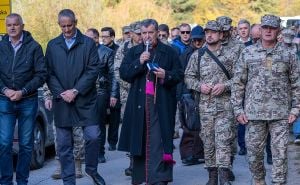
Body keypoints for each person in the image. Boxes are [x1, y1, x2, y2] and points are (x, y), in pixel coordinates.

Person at [231, 14, 300, 185]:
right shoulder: (247, 53)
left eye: (272, 28)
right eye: (265, 27)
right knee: (254, 156)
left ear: (278, 30)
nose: (268, 31)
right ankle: (259, 181)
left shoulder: (288, 54)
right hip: (253, 115)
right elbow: (238, 83)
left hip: (281, 115)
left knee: (280, 155)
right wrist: (238, 110)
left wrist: (295, 109)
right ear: (260, 29)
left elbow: (297, 84)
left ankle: (278, 183)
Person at [118, 18, 183, 185]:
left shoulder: (170, 52)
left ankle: (160, 178)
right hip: (139, 104)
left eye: (150, 33)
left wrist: (165, 75)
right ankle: (141, 177)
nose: (147, 36)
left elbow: (179, 75)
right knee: (141, 140)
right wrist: (139, 61)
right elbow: (124, 73)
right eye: (144, 33)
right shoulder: (134, 52)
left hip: (160, 104)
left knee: (159, 141)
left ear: (157, 33)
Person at [45, 9, 105, 185]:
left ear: (76, 23)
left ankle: (91, 169)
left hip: (85, 99)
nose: (66, 30)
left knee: (93, 136)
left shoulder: (87, 43)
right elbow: (48, 72)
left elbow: (93, 69)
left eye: (69, 25)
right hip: (62, 100)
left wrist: (76, 91)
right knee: (63, 144)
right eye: (62, 26)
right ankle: (68, 180)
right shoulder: (53, 45)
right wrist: (61, 93)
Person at [185, 20, 239, 185]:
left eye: (213, 32)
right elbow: (188, 77)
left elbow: (240, 78)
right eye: (207, 32)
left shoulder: (231, 55)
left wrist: (225, 86)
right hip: (205, 108)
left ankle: (224, 177)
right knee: (208, 143)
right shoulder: (197, 55)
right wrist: (200, 86)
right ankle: (212, 177)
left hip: (225, 107)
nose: (209, 35)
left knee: (223, 141)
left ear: (221, 35)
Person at [0, 13, 47, 185]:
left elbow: (41, 74)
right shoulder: (0, 46)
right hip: (5, 100)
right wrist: (5, 90)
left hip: (27, 100)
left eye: (16, 24)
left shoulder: (34, 47)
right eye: (9, 25)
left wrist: (23, 91)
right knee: (4, 143)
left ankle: (22, 181)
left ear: (22, 26)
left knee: (26, 145)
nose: (12, 28)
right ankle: (5, 181)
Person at [114, 21, 143, 176]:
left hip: (145, 93)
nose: (140, 37)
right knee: (131, 127)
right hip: (128, 94)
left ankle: (144, 160)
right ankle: (132, 162)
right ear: (131, 33)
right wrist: (131, 84)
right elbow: (118, 71)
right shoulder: (123, 49)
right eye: (137, 34)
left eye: (142, 33)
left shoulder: (147, 47)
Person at [85, 28, 118, 163]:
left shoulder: (107, 52)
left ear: (96, 39)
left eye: (90, 38)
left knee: (99, 123)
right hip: (84, 91)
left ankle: (100, 152)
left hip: (101, 91)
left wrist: (113, 94)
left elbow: (113, 75)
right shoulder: (83, 51)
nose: (86, 41)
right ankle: (87, 152)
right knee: (86, 123)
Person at [43, 84, 85, 179]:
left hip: (76, 97)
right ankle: (60, 165)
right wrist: (48, 97)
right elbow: (49, 76)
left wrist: (76, 91)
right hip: (58, 97)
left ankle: (77, 165)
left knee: (77, 133)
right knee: (58, 134)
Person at [178, 25, 205, 166]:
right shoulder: (186, 54)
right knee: (190, 126)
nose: (198, 42)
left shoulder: (207, 53)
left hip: (202, 94)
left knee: (200, 126)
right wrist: (183, 96)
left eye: (200, 40)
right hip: (188, 94)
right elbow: (181, 76)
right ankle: (188, 155)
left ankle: (197, 154)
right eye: (195, 40)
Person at [100, 26, 121, 154]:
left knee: (114, 114)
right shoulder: (99, 51)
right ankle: (101, 143)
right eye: (102, 37)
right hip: (102, 87)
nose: (103, 39)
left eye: (106, 37)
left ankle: (113, 141)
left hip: (114, 86)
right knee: (102, 117)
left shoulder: (118, 50)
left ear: (112, 37)